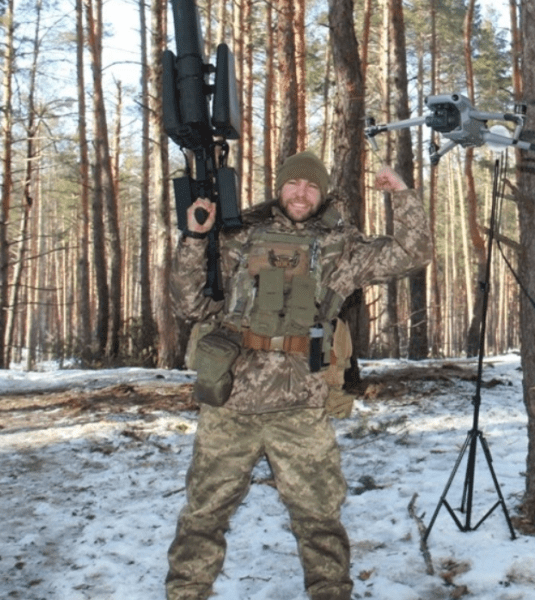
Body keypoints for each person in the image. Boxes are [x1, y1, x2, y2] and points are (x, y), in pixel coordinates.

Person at [165, 151, 433, 600]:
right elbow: (189, 305)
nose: (302, 193)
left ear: (322, 192)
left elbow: (413, 252)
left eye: (311, 186)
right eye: (294, 184)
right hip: (231, 405)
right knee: (203, 516)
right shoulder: (239, 235)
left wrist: (402, 195)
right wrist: (195, 237)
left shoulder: (339, 247)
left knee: (319, 521)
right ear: (280, 187)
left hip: (301, 409)